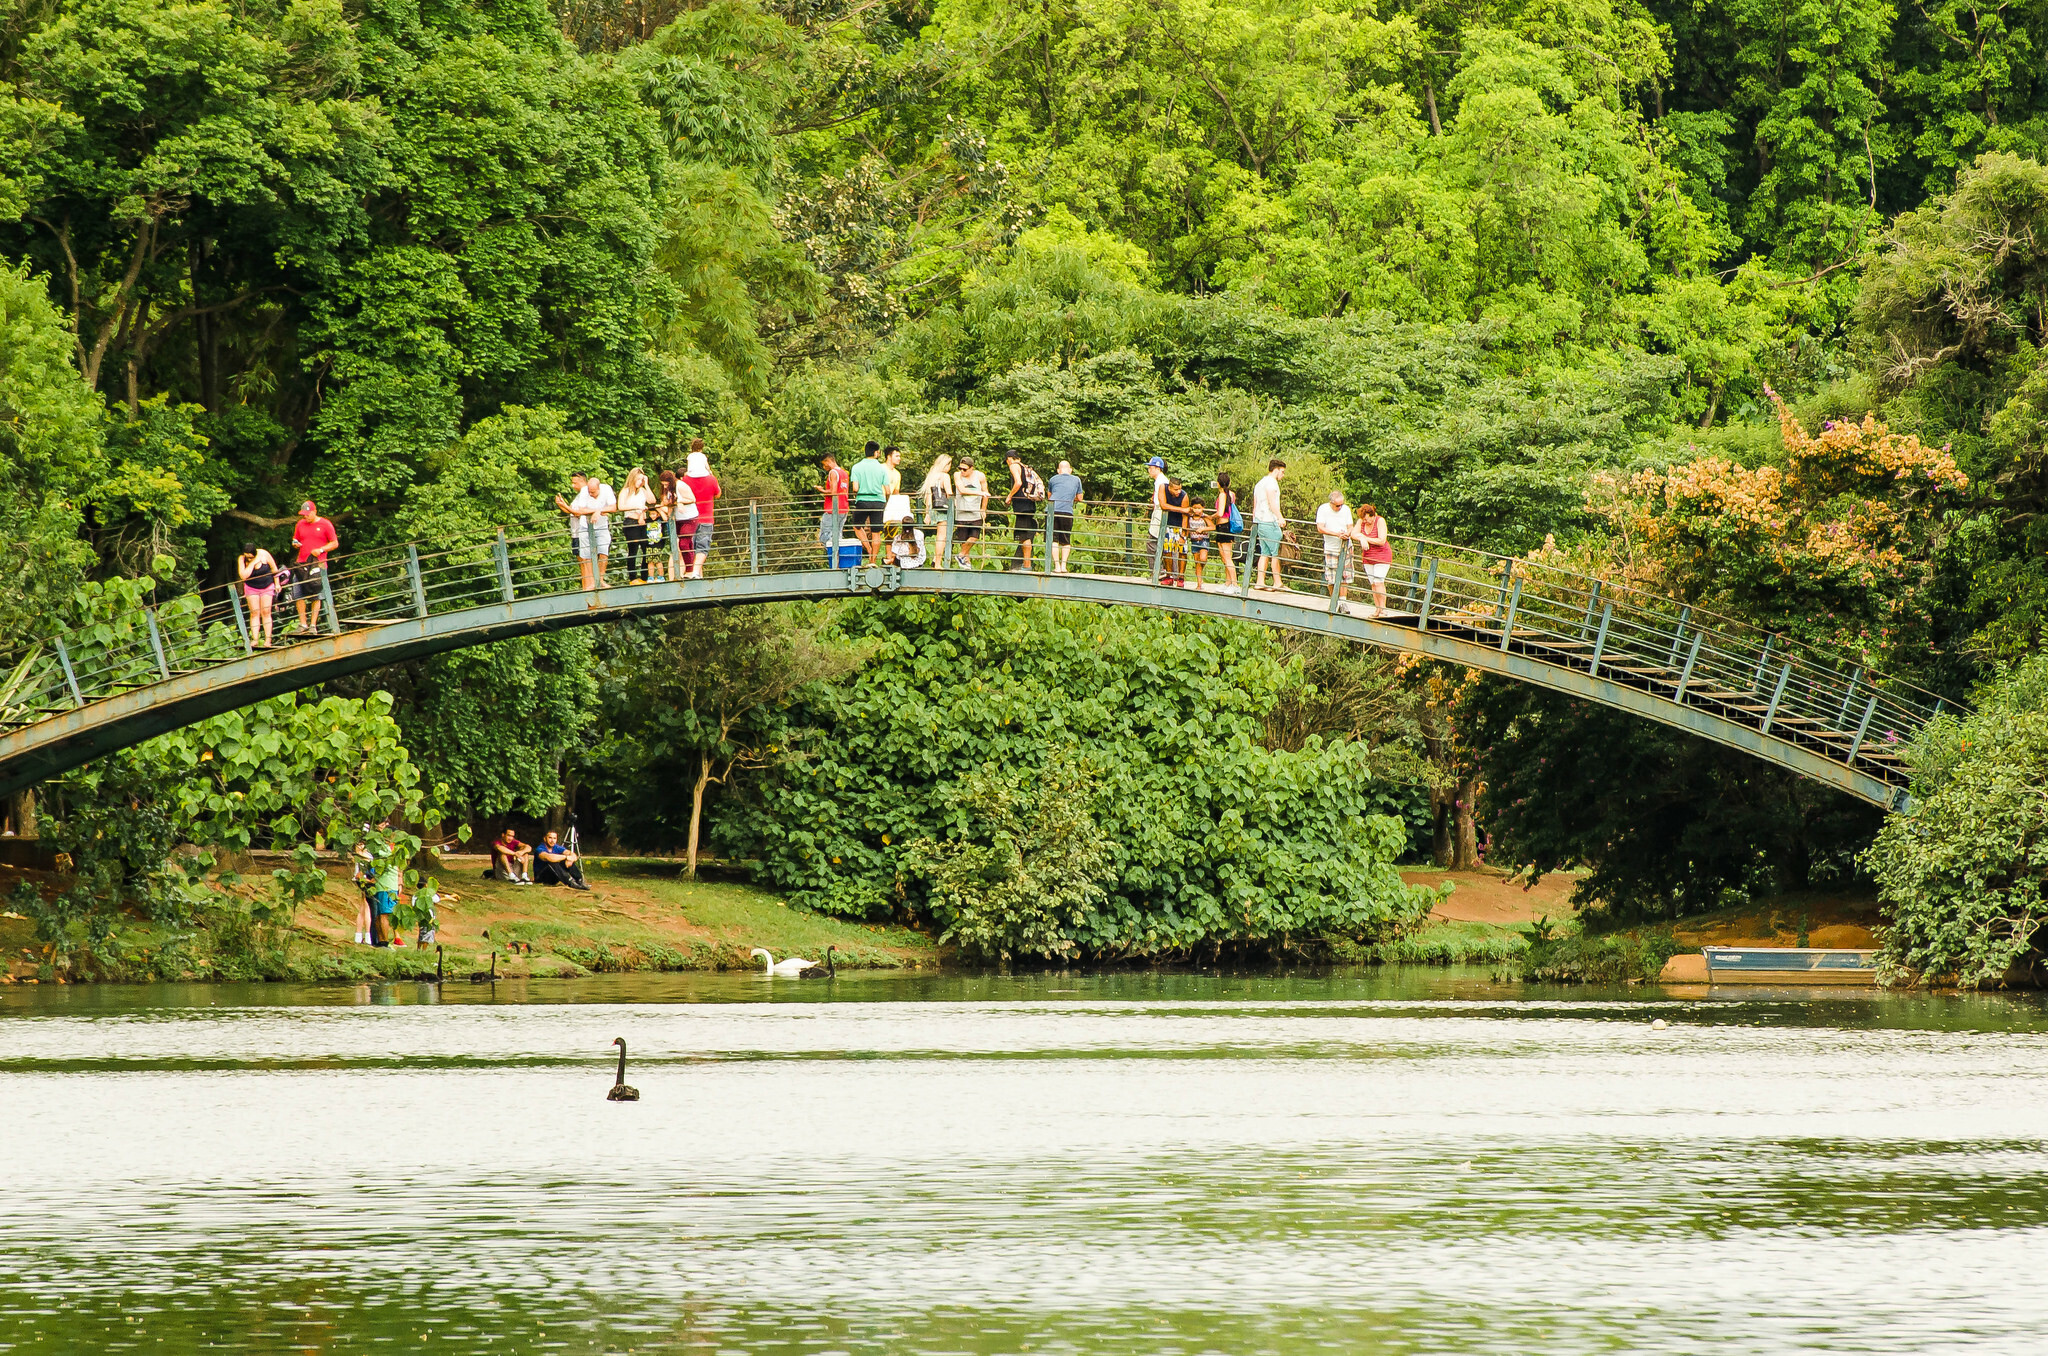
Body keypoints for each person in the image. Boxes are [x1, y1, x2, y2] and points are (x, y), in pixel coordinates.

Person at [290, 500, 337, 634]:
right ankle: (303, 623)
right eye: (303, 514)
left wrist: (321, 550)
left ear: (314, 512)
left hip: (318, 564)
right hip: (301, 563)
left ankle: (313, 625)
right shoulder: (300, 524)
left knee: (316, 594)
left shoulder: (325, 524)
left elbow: (334, 543)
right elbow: (296, 539)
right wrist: (295, 543)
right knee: (297, 593)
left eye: (307, 514)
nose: (305, 516)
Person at [564, 470, 614, 589]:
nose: (591, 494)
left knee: (603, 551)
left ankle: (600, 579)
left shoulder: (606, 489)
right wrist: (596, 511)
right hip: (585, 526)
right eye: (589, 492)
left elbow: (613, 507)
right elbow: (581, 510)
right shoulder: (584, 492)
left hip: (601, 526)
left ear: (599, 488)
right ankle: (590, 584)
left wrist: (599, 511)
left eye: (593, 492)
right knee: (585, 556)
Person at [682, 443, 719, 579]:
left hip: (690, 518)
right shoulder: (711, 480)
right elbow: (718, 493)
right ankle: (696, 572)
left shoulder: (686, 479)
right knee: (702, 547)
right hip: (707, 518)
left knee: (690, 546)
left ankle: (690, 571)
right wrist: (710, 473)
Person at [1004, 451, 1046, 570]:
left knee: (1024, 536)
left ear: (1009, 459)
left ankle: (1026, 565)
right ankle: (1026, 564)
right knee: (1025, 534)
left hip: (1022, 505)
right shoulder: (1026, 468)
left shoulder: (1014, 466)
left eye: (1007, 461)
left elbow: (1018, 482)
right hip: (1030, 502)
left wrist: (1009, 496)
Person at [1252, 459, 1287, 589]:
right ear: (1276, 469)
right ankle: (1277, 582)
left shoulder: (1260, 483)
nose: (1282, 475)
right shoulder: (1272, 484)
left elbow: (1255, 505)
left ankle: (1260, 582)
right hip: (1269, 520)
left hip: (1260, 521)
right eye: (1282, 472)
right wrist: (1280, 518)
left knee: (1264, 552)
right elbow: (1272, 503)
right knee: (1275, 552)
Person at [237, 540, 280, 647]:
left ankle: (268, 640)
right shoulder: (242, 559)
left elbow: (274, 569)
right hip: (251, 587)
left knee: (266, 612)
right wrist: (253, 562)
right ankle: (255, 639)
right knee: (254, 613)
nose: (249, 558)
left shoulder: (264, 554)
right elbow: (243, 575)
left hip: (267, 585)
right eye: (247, 557)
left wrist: (277, 583)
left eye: (251, 557)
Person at [1316, 489, 1355, 603]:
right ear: (1331, 503)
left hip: (1346, 546)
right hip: (1331, 547)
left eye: (1341, 505)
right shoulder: (1323, 509)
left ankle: (1343, 602)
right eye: (1338, 506)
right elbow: (1320, 528)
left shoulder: (1346, 510)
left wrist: (1347, 533)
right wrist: (1336, 534)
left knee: (1345, 575)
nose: (1340, 508)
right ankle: (1334, 601)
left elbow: (1350, 526)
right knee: (1331, 577)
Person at [617, 467, 655, 584]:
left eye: (641, 479)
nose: (640, 482)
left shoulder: (642, 491)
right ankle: (632, 577)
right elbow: (621, 507)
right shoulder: (626, 491)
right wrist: (636, 508)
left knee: (646, 549)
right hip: (631, 522)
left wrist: (646, 485)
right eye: (638, 479)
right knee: (633, 549)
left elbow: (652, 501)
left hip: (642, 521)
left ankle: (644, 576)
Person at [1356, 500, 1394, 618]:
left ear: (1372, 515)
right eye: (1363, 519)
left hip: (1382, 556)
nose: (1365, 521)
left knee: (1379, 581)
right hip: (1368, 557)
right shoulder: (1361, 521)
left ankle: (1383, 609)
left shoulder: (1380, 521)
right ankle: (1377, 609)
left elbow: (1381, 540)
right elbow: (1354, 533)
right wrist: (1361, 538)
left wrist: (1365, 538)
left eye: (1367, 518)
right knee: (1373, 583)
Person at [951, 456, 988, 568]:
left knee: (974, 537)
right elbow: (961, 490)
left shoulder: (980, 476)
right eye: (960, 468)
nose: (962, 471)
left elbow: (986, 493)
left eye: (965, 469)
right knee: (963, 540)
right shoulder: (957, 475)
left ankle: (961, 555)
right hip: (962, 512)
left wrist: (983, 508)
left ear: (971, 468)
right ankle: (967, 564)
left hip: (975, 512)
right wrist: (979, 493)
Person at [1047, 459, 1084, 573]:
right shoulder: (1076, 479)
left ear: (1058, 470)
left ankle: (1056, 566)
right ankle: (1064, 566)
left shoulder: (1053, 479)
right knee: (1066, 540)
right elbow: (1080, 498)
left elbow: (1050, 496)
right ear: (1071, 470)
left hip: (1052, 510)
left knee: (1053, 540)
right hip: (1067, 511)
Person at [816, 453, 851, 566]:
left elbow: (834, 492)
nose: (824, 467)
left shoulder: (833, 472)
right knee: (838, 536)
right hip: (843, 508)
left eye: (824, 464)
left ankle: (833, 563)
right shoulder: (844, 473)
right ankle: (839, 563)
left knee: (826, 536)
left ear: (828, 461)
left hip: (833, 510)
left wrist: (821, 490)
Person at [918, 454, 953, 562]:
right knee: (942, 536)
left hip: (933, 508)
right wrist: (954, 503)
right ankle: (937, 561)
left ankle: (934, 559)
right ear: (946, 464)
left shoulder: (932, 476)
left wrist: (927, 513)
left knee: (939, 535)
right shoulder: (945, 476)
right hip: (942, 508)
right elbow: (949, 493)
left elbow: (928, 496)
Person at [1159, 474, 1191, 586]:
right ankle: (1169, 575)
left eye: (1180, 489)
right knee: (1167, 551)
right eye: (1176, 489)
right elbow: (1163, 505)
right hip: (1168, 525)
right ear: (1170, 487)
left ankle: (1181, 577)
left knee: (1182, 551)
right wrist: (1181, 509)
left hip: (1180, 526)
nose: (1178, 491)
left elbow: (1185, 516)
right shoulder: (1163, 487)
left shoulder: (1184, 496)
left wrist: (1184, 534)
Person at [1212, 471, 1240, 589]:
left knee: (1227, 557)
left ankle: (1234, 584)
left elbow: (1220, 512)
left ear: (1218, 483)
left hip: (1224, 526)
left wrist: (1210, 517)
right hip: (1225, 527)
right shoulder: (1231, 494)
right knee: (1224, 556)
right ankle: (1228, 582)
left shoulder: (1223, 495)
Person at [556, 473, 589, 564]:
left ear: (582, 481)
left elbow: (578, 513)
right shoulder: (579, 495)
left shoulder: (585, 494)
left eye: (575, 483)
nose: (573, 485)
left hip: (582, 532)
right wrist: (561, 504)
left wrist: (564, 505)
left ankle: (588, 578)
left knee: (584, 560)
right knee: (580, 559)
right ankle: (585, 578)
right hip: (576, 532)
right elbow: (570, 510)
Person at [1145, 456, 1167, 564]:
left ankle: (1157, 570)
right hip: (1158, 512)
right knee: (1156, 542)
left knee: (1152, 542)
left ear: (1158, 468)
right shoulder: (1159, 480)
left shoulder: (1161, 481)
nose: (1149, 470)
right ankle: (1158, 570)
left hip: (1160, 512)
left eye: (1151, 468)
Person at [1186, 501, 1214, 587]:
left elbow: (1212, 527)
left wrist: (1203, 529)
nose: (1197, 510)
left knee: (1203, 559)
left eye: (1199, 508)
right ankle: (1199, 583)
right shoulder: (1190, 517)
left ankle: (1200, 572)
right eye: (1195, 508)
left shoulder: (1204, 517)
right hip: (1194, 541)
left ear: (1203, 508)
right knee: (1197, 562)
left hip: (1203, 540)